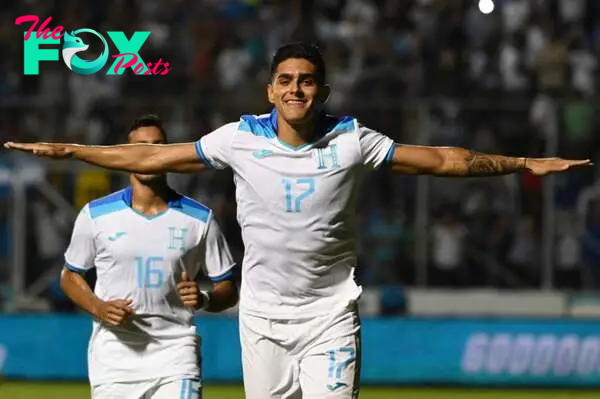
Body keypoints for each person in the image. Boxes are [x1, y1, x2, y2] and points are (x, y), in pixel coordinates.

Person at [5, 42, 591, 399]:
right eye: (285, 80)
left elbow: (441, 160)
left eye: (306, 80)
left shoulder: (353, 141)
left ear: (322, 90)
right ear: (270, 89)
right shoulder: (238, 138)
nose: (295, 89)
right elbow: (150, 156)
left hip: (330, 314)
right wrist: (73, 151)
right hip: (260, 317)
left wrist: (521, 163)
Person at [58, 114, 238, 399]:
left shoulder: (199, 218)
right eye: (139, 147)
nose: (148, 154)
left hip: (176, 354)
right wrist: (98, 306)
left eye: (157, 146)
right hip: (113, 359)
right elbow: (70, 275)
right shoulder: (96, 215)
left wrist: (205, 298)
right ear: (123, 154)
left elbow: (228, 288)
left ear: (170, 153)